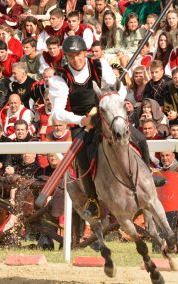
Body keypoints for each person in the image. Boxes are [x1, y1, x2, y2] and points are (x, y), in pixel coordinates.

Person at [48, 35, 127, 218]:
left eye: (79, 55)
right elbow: (57, 113)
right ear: (66, 57)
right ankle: (92, 200)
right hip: (80, 121)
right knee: (82, 156)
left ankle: (146, 171)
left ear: (85, 52)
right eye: (71, 56)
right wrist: (81, 120)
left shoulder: (100, 65)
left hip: (105, 112)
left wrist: (112, 102)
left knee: (136, 137)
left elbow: (119, 88)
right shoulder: (59, 77)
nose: (76, 59)